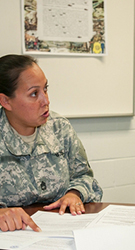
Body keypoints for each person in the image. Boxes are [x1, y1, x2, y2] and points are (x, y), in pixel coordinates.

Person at [0, 54, 103, 232]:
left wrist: (74, 193)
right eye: (34, 94)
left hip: (60, 232)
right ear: (5, 101)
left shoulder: (59, 128)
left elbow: (85, 177)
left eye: (45, 89)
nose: (46, 101)